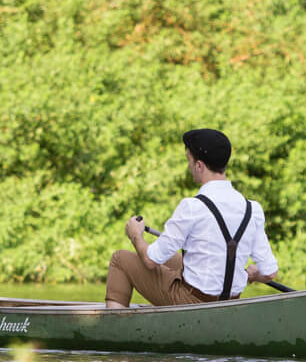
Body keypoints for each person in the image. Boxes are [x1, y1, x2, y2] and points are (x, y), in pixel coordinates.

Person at [105, 128, 280, 308]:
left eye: (189, 160)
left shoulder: (192, 207)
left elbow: (150, 260)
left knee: (120, 259)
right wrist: (253, 275)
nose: (188, 166)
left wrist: (136, 236)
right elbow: (270, 272)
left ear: (199, 165)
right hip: (230, 302)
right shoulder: (253, 209)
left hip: (192, 302)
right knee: (172, 259)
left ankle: (115, 322)